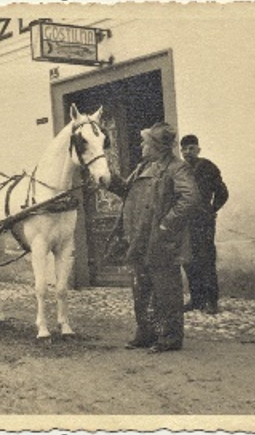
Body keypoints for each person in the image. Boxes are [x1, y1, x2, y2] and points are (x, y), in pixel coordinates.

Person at [107, 122, 199, 353]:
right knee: (142, 289)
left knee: (165, 290)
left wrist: (167, 224)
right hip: (139, 236)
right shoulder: (143, 167)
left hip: (161, 239)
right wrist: (109, 180)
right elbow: (126, 190)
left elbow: (190, 198)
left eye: (145, 142)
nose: (141, 146)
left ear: (157, 146)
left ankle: (169, 338)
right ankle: (146, 333)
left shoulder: (177, 168)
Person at [180, 134, 229, 314]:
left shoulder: (208, 167)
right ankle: (196, 299)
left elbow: (222, 192)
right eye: (184, 149)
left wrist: (211, 210)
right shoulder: (179, 170)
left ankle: (211, 302)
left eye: (191, 148)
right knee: (189, 261)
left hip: (203, 221)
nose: (187, 152)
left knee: (206, 259)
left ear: (198, 149)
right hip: (185, 221)